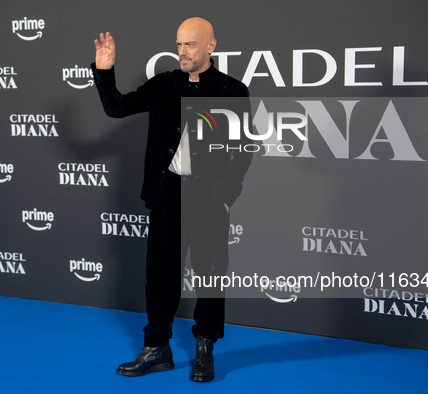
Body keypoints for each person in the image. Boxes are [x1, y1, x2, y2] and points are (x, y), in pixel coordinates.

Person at [92, 17, 252, 382]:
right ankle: (157, 349)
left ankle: (205, 348)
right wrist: (104, 72)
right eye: (178, 44)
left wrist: (227, 196)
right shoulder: (163, 85)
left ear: (210, 46)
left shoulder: (232, 90)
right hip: (167, 196)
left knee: (210, 276)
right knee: (160, 275)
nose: (182, 51)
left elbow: (243, 150)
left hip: (209, 199)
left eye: (190, 45)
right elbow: (116, 107)